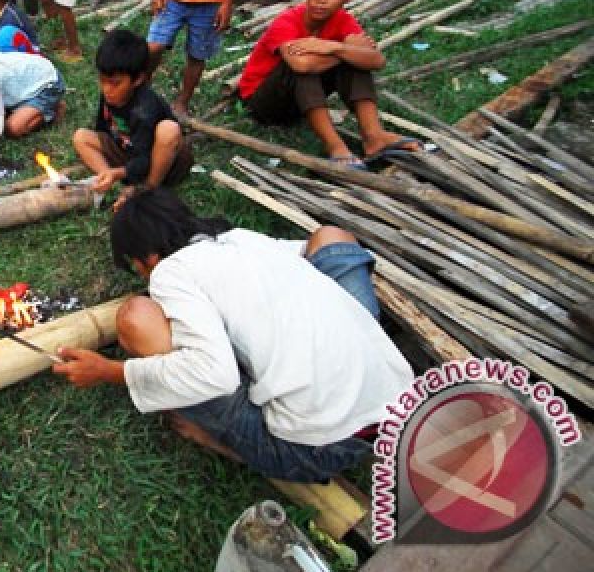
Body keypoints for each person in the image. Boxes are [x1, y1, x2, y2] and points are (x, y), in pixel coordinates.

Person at [52, 187, 414, 484]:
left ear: (148, 257)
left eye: (137, 268)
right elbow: (306, 257)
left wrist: (110, 371)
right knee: (331, 237)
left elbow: (215, 374)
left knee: (136, 317)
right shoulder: (241, 239)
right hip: (394, 403)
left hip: (313, 449)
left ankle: (233, 448)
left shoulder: (169, 271)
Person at [237, 0, 422, 168]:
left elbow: (377, 61)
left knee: (355, 62)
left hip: (299, 104)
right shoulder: (286, 22)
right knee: (309, 67)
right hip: (265, 104)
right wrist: (346, 52)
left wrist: (334, 47)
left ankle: (373, 137)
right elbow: (301, 64)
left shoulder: (343, 21)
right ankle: (334, 146)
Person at [73, 30, 191, 205]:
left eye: (115, 83)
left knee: (168, 130)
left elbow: (145, 159)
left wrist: (122, 172)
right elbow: (102, 130)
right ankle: (107, 178)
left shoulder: (144, 109)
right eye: (103, 80)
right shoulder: (109, 95)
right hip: (129, 152)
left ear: (138, 79)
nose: (106, 89)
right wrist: (115, 171)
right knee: (81, 137)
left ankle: (148, 188)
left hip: (159, 161)